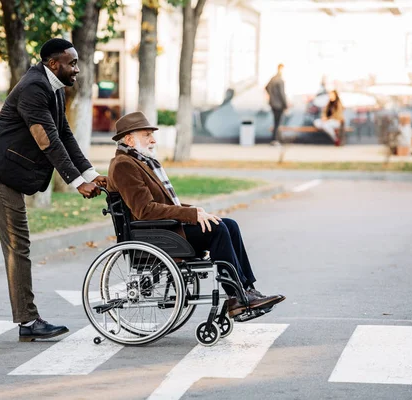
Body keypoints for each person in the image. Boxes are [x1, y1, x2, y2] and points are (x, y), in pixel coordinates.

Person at [0, 38, 107, 342]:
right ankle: (28, 321)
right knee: (18, 243)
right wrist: (76, 182)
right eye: (72, 63)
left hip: (0, 169)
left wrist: (90, 173)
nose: (77, 69)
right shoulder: (34, 87)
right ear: (54, 63)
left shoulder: (52, 87)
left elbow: (64, 134)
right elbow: (46, 140)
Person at [107, 112, 285, 319]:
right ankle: (236, 297)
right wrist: (190, 214)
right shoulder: (124, 165)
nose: (153, 140)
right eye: (147, 135)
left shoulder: (140, 161)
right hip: (155, 233)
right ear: (129, 139)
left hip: (165, 228)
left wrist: (197, 211)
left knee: (228, 224)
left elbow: (163, 203)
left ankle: (247, 290)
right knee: (217, 229)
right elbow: (144, 210)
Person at [265, 64, 288, 145]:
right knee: (278, 122)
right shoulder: (280, 80)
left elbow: (266, 87)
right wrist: (285, 104)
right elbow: (282, 94)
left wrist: (272, 96)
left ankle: (276, 139)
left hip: (272, 103)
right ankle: (276, 140)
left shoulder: (273, 79)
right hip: (279, 104)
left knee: (275, 122)